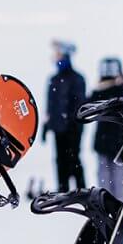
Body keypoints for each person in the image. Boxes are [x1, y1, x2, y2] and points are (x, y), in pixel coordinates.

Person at [44, 40, 86, 191]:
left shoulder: (77, 78)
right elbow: (51, 105)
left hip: (72, 129)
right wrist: (46, 125)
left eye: (58, 54)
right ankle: (63, 190)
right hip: (58, 128)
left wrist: (72, 123)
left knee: (74, 159)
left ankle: (81, 190)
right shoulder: (54, 80)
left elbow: (79, 104)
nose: (55, 57)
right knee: (60, 160)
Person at [88, 56, 123, 199]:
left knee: (118, 181)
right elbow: (87, 109)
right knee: (104, 179)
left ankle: (119, 208)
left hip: (119, 143)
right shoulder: (100, 92)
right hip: (105, 142)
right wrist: (101, 88)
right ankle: (106, 205)